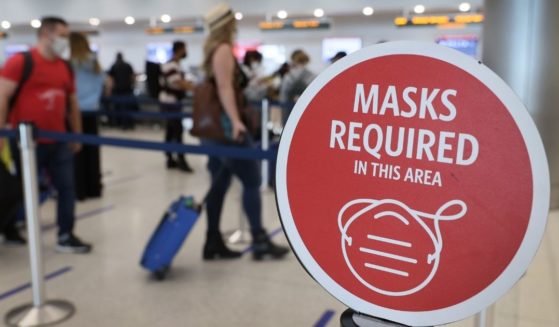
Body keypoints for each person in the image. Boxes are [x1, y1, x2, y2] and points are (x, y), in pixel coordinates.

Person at [201, 3, 289, 260]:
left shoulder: (211, 50)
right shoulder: (224, 49)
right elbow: (225, 88)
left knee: (218, 184)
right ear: (227, 25)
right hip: (228, 130)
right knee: (251, 180)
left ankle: (212, 241)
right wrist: (237, 121)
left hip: (214, 130)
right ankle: (259, 239)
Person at [0, 16, 92, 253]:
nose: (65, 41)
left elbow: (72, 102)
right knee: (19, 189)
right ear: (45, 35)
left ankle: (65, 234)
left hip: (59, 139)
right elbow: (2, 97)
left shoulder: (64, 67)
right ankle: (9, 228)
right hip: (25, 142)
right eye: (61, 36)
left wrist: (77, 133)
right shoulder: (21, 62)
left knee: (66, 188)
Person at [70, 32, 105, 200]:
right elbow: (105, 83)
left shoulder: (69, 64)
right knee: (93, 151)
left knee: (77, 151)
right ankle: (94, 188)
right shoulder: (94, 62)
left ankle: (80, 190)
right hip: (93, 111)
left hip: (75, 111)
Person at [159, 41, 194, 172]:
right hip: (170, 102)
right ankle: (180, 158)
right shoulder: (170, 65)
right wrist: (195, 89)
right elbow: (178, 82)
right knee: (177, 131)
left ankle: (170, 158)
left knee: (171, 130)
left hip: (173, 102)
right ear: (180, 50)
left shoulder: (175, 65)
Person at [279, 49, 316, 125]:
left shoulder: (289, 76)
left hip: (289, 108)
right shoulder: (312, 76)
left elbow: (283, 96)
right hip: (306, 109)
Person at [108, 52, 135, 130]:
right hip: (127, 90)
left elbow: (111, 79)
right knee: (128, 108)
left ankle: (119, 124)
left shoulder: (114, 66)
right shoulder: (128, 65)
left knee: (119, 108)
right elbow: (132, 77)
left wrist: (109, 90)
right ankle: (129, 124)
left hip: (117, 91)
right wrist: (132, 85)